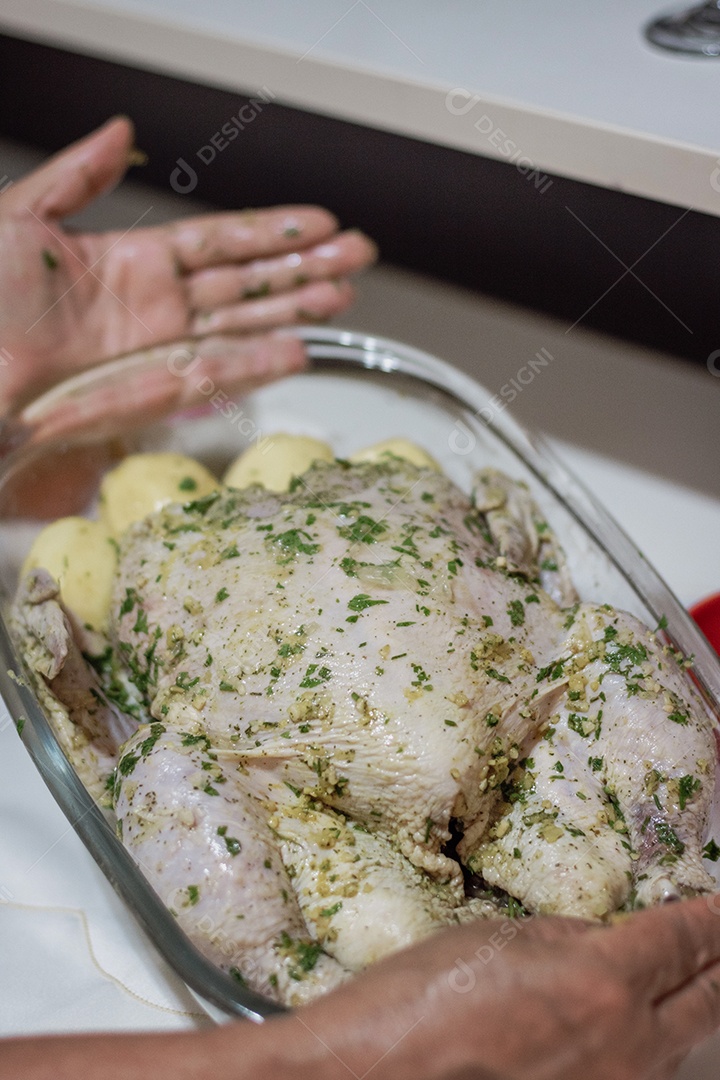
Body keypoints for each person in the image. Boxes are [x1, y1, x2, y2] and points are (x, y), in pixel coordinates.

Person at [1, 120, 720, 1080]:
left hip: (528, 722)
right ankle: (286, 968)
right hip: (300, 805)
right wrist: (324, 1055)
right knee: (184, 780)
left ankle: (683, 866)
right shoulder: (153, 554)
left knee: (614, 653)